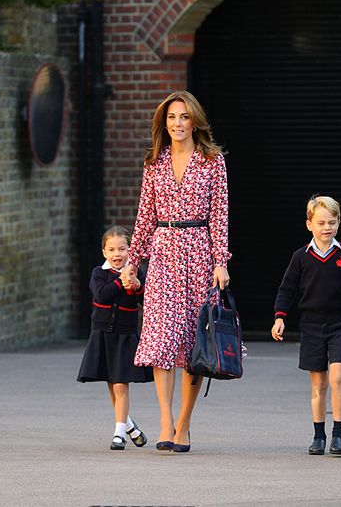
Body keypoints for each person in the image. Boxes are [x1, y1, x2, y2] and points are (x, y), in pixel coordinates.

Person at [120, 90, 231, 453]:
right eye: (171, 117)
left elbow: (220, 215)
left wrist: (220, 262)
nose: (177, 124)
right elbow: (144, 217)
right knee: (160, 340)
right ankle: (165, 423)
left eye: (184, 117)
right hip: (164, 253)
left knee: (193, 344)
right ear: (163, 123)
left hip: (199, 252)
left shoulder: (212, 161)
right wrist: (132, 261)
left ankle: (184, 422)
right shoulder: (154, 163)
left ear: (195, 121)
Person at [271, 196, 341, 456]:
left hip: (339, 323)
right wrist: (280, 317)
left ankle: (339, 435)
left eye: (332, 222)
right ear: (309, 224)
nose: (326, 227)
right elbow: (287, 289)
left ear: (339, 222)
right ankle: (319, 436)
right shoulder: (301, 257)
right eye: (320, 222)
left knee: (338, 377)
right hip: (311, 326)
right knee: (319, 385)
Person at [77, 226, 154, 451]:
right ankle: (130, 427)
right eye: (111, 249)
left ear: (130, 250)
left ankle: (119, 434)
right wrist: (121, 281)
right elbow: (101, 294)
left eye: (122, 248)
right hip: (102, 334)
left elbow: (147, 300)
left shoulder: (136, 272)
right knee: (112, 385)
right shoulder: (98, 273)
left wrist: (138, 286)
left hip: (125, 335)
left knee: (121, 385)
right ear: (104, 252)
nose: (117, 254)